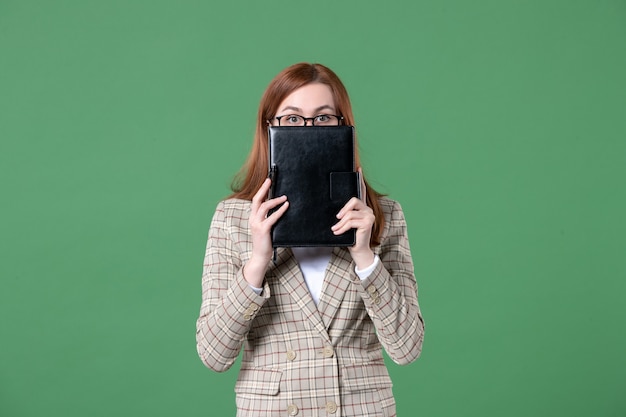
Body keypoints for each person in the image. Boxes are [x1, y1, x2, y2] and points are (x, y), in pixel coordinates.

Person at [196, 62, 424, 417]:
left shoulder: (382, 215)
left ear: (342, 126)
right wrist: (257, 262)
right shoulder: (233, 219)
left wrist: (365, 256)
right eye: (291, 119)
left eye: (322, 119)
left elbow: (407, 349)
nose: (308, 130)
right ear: (269, 128)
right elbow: (214, 354)